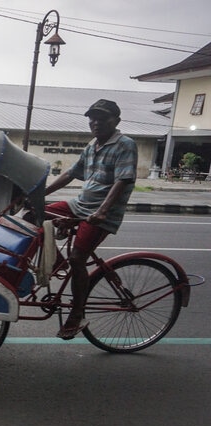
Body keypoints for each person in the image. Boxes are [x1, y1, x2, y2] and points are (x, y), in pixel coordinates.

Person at [42, 99, 138, 340]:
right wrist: (40, 194)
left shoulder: (125, 144)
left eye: (101, 118)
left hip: (102, 214)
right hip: (80, 205)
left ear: (115, 121)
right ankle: (58, 264)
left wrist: (103, 211)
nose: (95, 122)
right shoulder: (93, 144)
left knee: (78, 258)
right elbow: (71, 173)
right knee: (34, 214)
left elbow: (122, 180)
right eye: (91, 118)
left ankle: (78, 312)